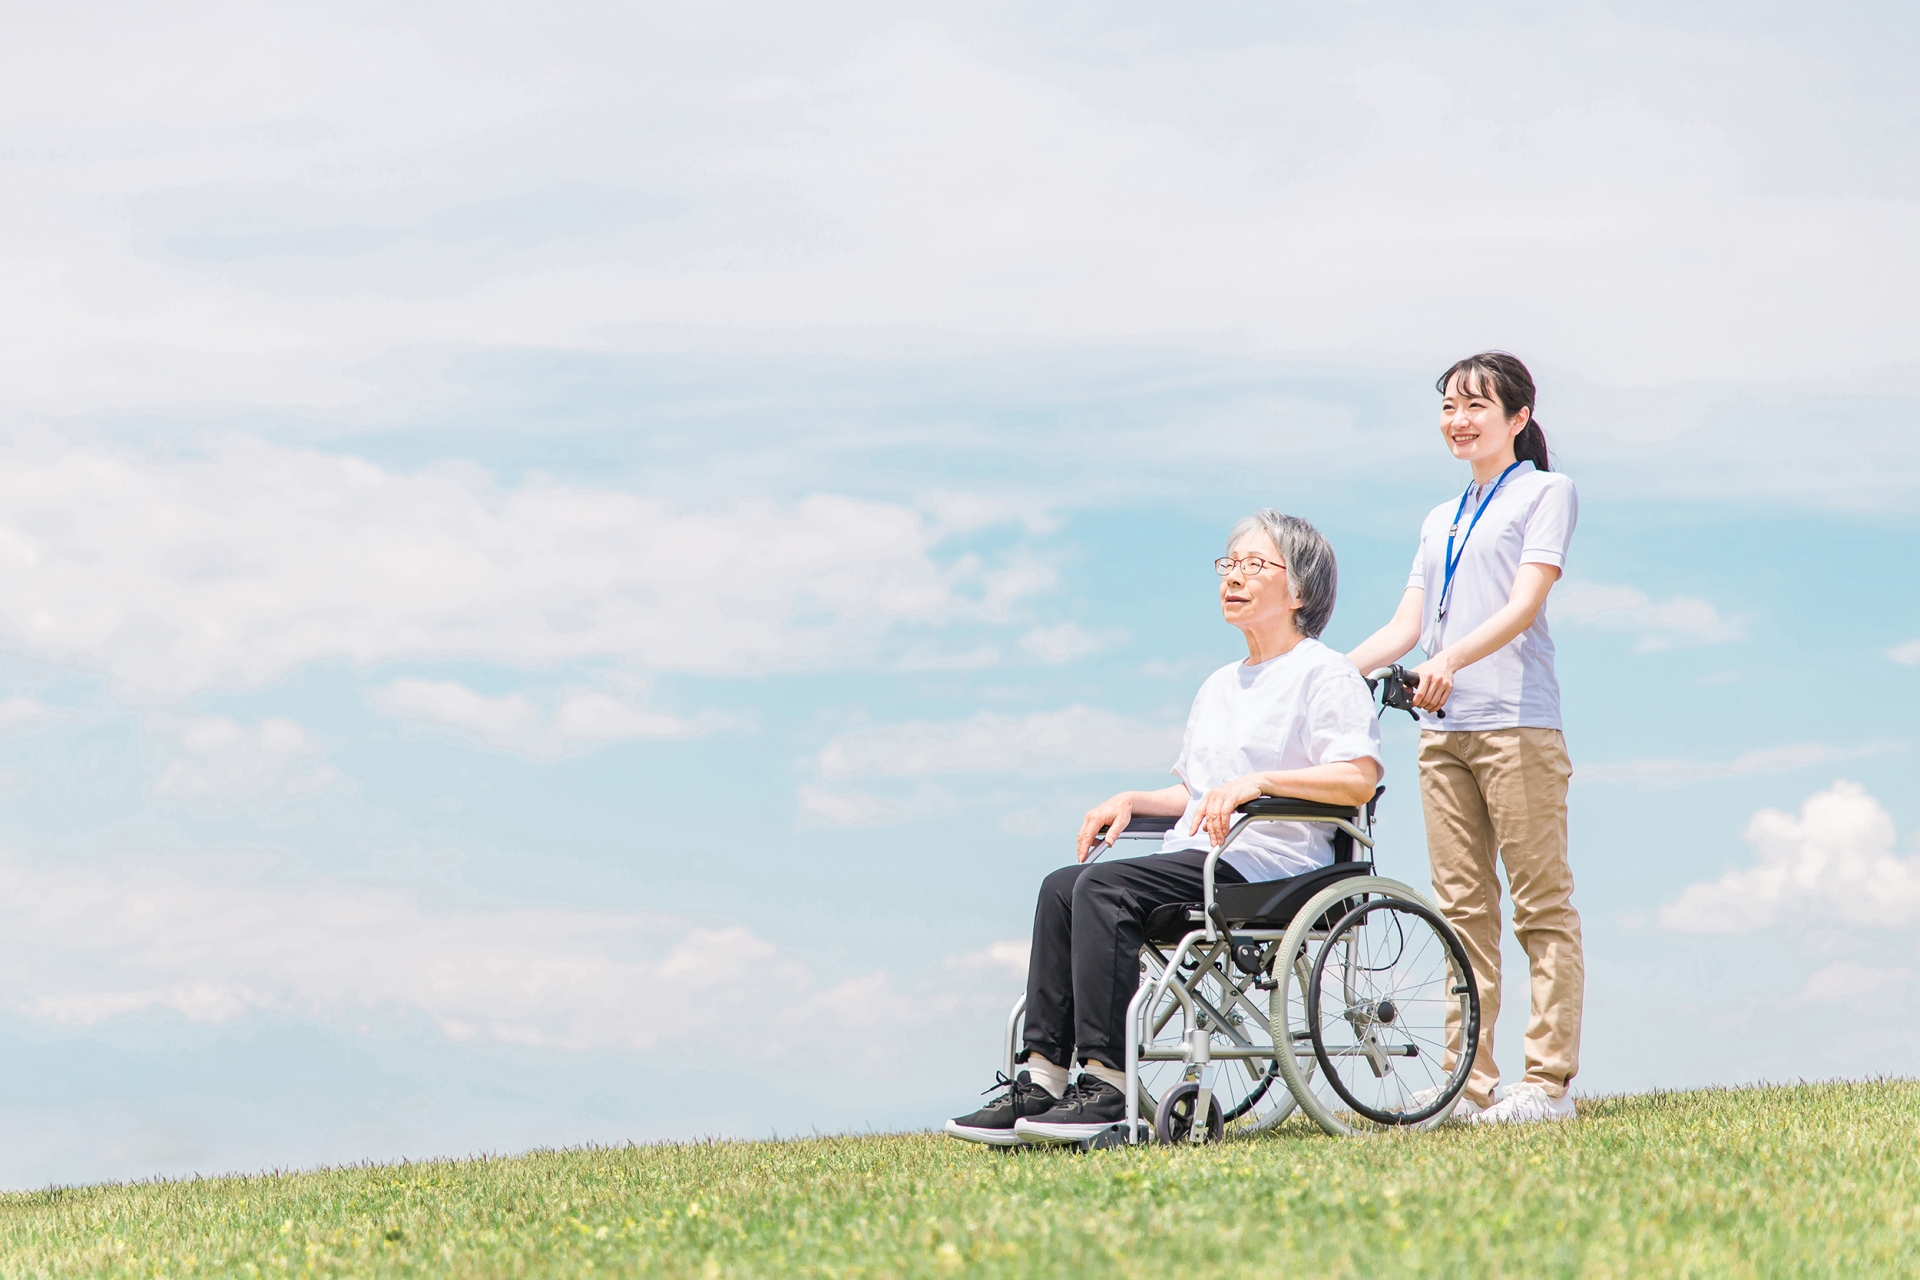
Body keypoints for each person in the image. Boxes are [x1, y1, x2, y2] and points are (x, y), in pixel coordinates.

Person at [945, 510, 1383, 1146]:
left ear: (1300, 591)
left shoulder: (1325, 672)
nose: (1233, 577)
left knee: (1103, 890)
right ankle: (1041, 1078)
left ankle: (1106, 1083)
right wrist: (1133, 799)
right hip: (1203, 854)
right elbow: (1196, 791)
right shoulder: (1219, 685)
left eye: (1255, 566)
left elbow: (1357, 778)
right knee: (1064, 885)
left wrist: (1262, 783)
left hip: (1272, 866)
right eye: (1228, 565)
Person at [1346, 351, 1581, 1125]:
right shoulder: (1438, 518)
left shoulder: (1546, 492)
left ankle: (1546, 1085)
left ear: (1518, 418)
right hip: (1442, 734)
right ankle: (1466, 1084)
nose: (1459, 418)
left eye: (1477, 404)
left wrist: (1446, 660)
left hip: (1517, 726)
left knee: (1540, 907)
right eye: (1449, 404)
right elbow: (1405, 628)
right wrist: (1328, 674)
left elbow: (1522, 605)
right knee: (1460, 910)